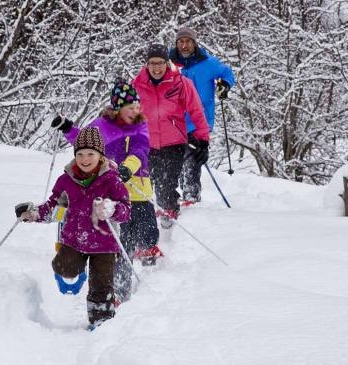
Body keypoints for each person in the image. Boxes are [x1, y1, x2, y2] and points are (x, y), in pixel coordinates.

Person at [51, 78, 162, 304]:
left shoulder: (140, 125)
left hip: (138, 190)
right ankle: (118, 291)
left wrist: (127, 169)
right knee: (123, 243)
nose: (135, 110)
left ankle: (148, 252)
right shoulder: (102, 125)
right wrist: (67, 128)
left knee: (149, 231)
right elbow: (84, 141)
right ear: (118, 107)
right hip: (113, 196)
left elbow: (141, 152)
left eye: (137, 106)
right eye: (130, 107)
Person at [15, 126, 131, 328]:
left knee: (102, 287)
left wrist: (113, 209)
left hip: (105, 244)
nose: (85, 159)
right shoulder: (66, 181)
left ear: (100, 155)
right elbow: (54, 207)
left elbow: (126, 210)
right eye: (80, 154)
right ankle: (77, 268)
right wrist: (34, 214)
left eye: (90, 154)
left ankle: (101, 322)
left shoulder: (112, 181)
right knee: (63, 267)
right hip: (74, 239)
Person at [132, 43, 210, 228]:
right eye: (152, 63)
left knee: (166, 183)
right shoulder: (137, 85)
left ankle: (169, 213)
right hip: (146, 144)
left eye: (160, 63)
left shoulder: (181, 83)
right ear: (146, 65)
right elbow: (125, 113)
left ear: (167, 63)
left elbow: (197, 112)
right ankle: (146, 223)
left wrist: (203, 141)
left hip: (173, 143)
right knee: (146, 184)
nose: (156, 68)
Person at [170, 27, 236, 205]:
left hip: (199, 121)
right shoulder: (169, 64)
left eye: (188, 41)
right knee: (175, 161)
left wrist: (225, 84)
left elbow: (228, 73)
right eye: (181, 42)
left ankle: (191, 198)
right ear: (176, 44)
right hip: (174, 122)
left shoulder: (208, 63)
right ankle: (175, 200)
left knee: (192, 159)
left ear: (194, 43)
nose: (184, 45)